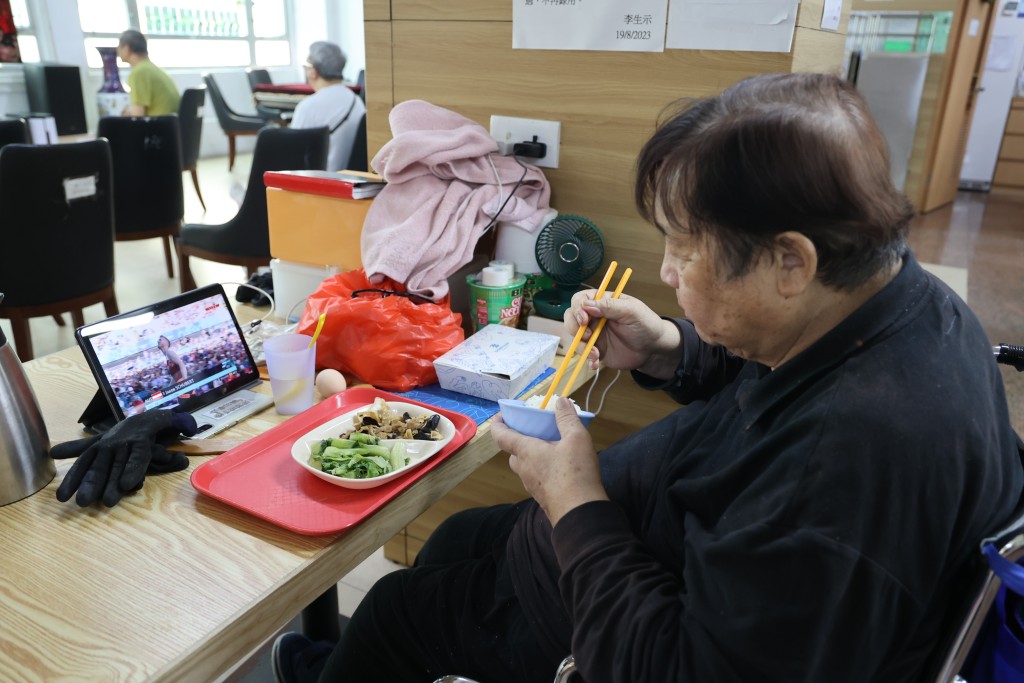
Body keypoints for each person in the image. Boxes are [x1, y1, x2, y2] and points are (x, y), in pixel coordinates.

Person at [273, 73, 1024, 682]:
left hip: (624, 616)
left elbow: (681, 665)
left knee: (395, 610)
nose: (665, 271)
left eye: (682, 249)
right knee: (459, 538)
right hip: (654, 537)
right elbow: (782, 368)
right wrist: (670, 347)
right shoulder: (894, 298)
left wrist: (573, 499)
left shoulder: (855, 465)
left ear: (791, 261)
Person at [290, 41, 365, 172]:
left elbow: (293, 155)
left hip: (321, 181)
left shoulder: (308, 107)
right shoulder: (356, 100)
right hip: (352, 180)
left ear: (313, 72)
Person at [116, 29, 180, 116]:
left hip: (157, 127)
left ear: (127, 48)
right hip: (171, 126)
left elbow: (138, 116)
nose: (117, 51)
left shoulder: (139, 73)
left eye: (119, 47)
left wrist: (127, 114)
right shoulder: (155, 69)